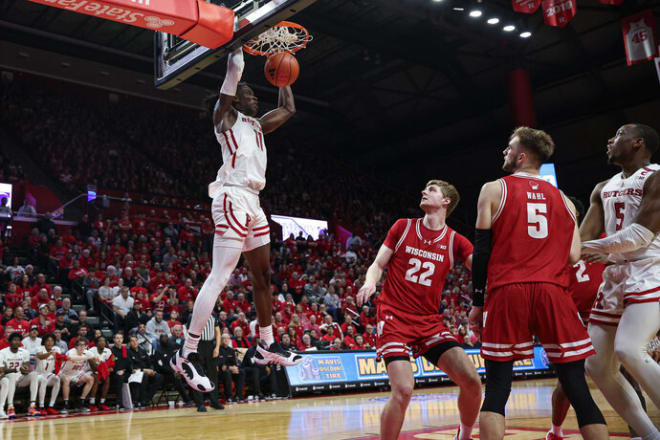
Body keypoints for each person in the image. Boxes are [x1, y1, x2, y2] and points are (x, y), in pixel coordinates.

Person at [171, 47, 301, 392]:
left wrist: (284, 77)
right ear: (234, 98)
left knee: (264, 276)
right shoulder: (224, 118)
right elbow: (233, 73)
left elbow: (288, 108)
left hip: (254, 202)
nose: (254, 96)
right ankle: (185, 352)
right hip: (231, 196)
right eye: (249, 93)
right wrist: (237, 49)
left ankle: (265, 344)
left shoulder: (256, 125)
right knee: (221, 275)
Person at [468, 127, 607, 440]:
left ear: (520, 156)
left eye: (508, 147)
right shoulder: (566, 202)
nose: (504, 152)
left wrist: (478, 302)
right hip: (552, 292)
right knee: (579, 391)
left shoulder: (493, 189)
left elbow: (482, 251)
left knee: (498, 389)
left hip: (508, 291)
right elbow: (573, 257)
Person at [357, 180, 482, 440]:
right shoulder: (403, 226)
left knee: (471, 381)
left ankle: (465, 436)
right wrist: (370, 281)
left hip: (429, 322)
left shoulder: (455, 241)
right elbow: (378, 264)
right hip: (393, 317)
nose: (424, 191)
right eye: (425, 188)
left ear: (446, 201)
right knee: (403, 390)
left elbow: (484, 273)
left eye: (432, 190)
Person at [578, 124, 660, 440]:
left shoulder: (655, 177)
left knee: (628, 348)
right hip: (616, 277)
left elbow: (640, 235)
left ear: (639, 143)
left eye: (619, 134)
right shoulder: (602, 187)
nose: (610, 140)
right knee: (595, 365)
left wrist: (593, 248)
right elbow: (583, 236)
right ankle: (649, 435)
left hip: (650, 269)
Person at [545, 198, 607, 440]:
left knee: (627, 375)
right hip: (574, 322)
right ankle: (556, 431)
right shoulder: (550, 246)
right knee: (568, 384)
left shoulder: (602, 238)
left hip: (606, 316)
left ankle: (640, 433)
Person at [0, 332, 39, 419]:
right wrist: (17, 369)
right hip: (9, 378)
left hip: (21, 378)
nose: (16, 342)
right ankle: (10, 407)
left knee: (34, 374)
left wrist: (25, 369)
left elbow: (27, 368)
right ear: (10, 341)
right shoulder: (3, 352)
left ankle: (32, 406)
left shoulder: (25, 352)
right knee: (12, 375)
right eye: (14, 340)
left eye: (18, 340)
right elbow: (2, 370)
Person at [59, 336, 98, 414]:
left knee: (90, 379)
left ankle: (81, 402)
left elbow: (95, 358)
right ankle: (65, 404)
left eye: (84, 345)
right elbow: (72, 358)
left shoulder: (87, 352)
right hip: (64, 373)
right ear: (76, 346)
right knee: (66, 380)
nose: (82, 347)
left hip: (77, 374)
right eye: (80, 345)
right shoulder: (71, 351)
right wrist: (86, 357)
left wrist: (96, 358)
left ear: (86, 346)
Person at [34, 333, 61, 415]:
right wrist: (50, 353)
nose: (50, 342)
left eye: (52, 341)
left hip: (48, 374)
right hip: (38, 375)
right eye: (48, 341)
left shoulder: (56, 349)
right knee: (43, 380)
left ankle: (51, 406)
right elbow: (40, 357)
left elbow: (58, 360)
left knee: (57, 379)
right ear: (44, 342)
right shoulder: (39, 348)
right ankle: (41, 407)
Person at [87, 336, 113, 411]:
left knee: (107, 378)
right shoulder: (91, 351)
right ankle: (91, 403)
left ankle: (102, 402)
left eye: (104, 341)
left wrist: (109, 368)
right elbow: (92, 366)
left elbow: (112, 361)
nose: (102, 342)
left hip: (102, 371)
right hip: (90, 370)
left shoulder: (108, 351)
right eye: (100, 341)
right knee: (95, 377)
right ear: (96, 343)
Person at [218, 333, 244, 403]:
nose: (226, 340)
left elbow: (235, 363)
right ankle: (229, 396)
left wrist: (235, 368)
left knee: (241, 372)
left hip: (230, 370)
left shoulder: (232, 350)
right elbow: (221, 365)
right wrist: (230, 368)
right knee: (227, 372)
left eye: (227, 338)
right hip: (220, 372)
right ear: (220, 340)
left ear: (229, 340)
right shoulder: (218, 349)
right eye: (224, 338)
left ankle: (239, 395)